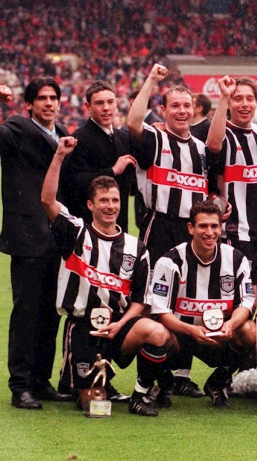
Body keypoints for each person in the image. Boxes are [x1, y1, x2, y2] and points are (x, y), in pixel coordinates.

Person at [42, 137, 171, 416]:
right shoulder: (75, 232)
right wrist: (59, 157)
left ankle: (141, 394)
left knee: (158, 332)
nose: (110, 206)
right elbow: (47, 200)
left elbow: (139, 300)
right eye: (103, 200)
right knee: (94, 403)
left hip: (119, 327)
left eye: (114, 200)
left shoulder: (136, 247)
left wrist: (121, 323)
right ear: (90, 205)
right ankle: (94, 385)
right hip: (83, 327)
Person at [0, 78, 73, 409]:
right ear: (28, 104)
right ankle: (20, 386)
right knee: (27, 312)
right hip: (28, 234)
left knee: (51, 312)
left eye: (53, 98)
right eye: (41, 98)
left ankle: (41, 380)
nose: (48, 103)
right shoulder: (16, 128)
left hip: (57, 235)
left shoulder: (62, 135)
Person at [149, 200, 257, 408]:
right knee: (153, 329)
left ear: (221, 227)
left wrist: (231, 325)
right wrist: (190, 330)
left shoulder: (236, 259)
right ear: (191, 228)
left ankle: (218, 382)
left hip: (219, 336)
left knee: (249, 330)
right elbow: (160, 310)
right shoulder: (170, 261)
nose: (209, 232)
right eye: (203, 226)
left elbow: (247, 301)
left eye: (214, 226)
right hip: (181, 335)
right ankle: (163, 383)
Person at [127, 64, 215, 261]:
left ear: (194, 110)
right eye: (175, 106)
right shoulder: (155, 137)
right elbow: (133, 122)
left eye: (186, 106)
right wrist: (151, 80)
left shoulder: (201, 148)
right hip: (160, 226)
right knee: (155, 287)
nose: (182, 111)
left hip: (192, 230)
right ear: (164, 111)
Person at [206, 75, 257, 282]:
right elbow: (214, 146)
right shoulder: (222, 132)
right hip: (231, 234)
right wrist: (223, 97)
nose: (244, 104)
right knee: (232, 296)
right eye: (238, 99)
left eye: (249, 99)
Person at [62, 81, 137, 230]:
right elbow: (74, 184)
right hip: (88, 228)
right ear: (87, 107)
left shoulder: (124, 138)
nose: (106, 108)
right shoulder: (78, 139)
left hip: (119, 227)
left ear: (116, 104)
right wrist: (112, 171)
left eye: (110, 102)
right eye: (99, 103)